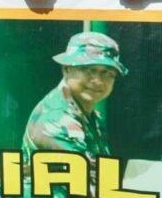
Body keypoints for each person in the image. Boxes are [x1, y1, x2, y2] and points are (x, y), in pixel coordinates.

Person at [22, 32, 128, 198]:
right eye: (89, 70)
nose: (98, 81)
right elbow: (86, 189)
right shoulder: (58, 120)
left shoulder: (90, 114)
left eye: (108, 73)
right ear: (66, 69)